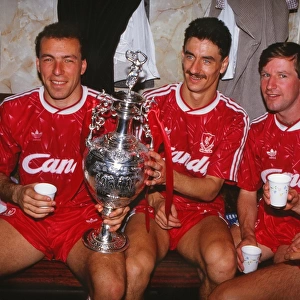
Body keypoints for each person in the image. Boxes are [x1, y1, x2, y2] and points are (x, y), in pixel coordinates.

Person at [0, 22, 130, 300]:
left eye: (68, 60)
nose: (57, 72)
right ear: (38, 64)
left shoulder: (107, 113)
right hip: (28, 220)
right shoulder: (14, 109)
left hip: (85, 221)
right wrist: (16, 192)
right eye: (49, 60)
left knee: (113, 287)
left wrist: (122, 206)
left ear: (83, 65)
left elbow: (130, 176)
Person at [124, 17, 249, 299]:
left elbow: (210, 189)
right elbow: (132, 168)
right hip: (150, 208)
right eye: (190, 56)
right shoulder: (152, 103)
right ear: (182, 54)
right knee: (133, 265)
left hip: (200, 214)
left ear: (223, 65)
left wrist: (168, 174)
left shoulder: (234, 118)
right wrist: (155, 199)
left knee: (223, 262)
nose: (195, 69)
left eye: (207, 60)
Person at [209, 41, 300, 299]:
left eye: (282, 75)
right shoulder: (257, 132)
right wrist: (248, 236)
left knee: (226, 296)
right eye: (265, 75)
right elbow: (248, 192)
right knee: (216, 257)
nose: (270, 86)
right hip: (267, 230)